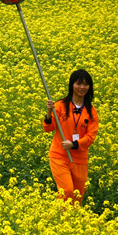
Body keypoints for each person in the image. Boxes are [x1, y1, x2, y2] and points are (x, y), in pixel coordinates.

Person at [44, 69, 99, 204]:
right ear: (72, 85)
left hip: (80, 159)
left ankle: (72, 222)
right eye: (78, 83)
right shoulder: (60, 105)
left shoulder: (91, 112)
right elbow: (48, 128)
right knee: (67, 191)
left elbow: (91, 137)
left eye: (85, 84)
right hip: (59, 156)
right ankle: (60, 219)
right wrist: (49, 112)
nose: (82, 87)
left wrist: (74, 144)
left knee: (78, 196)